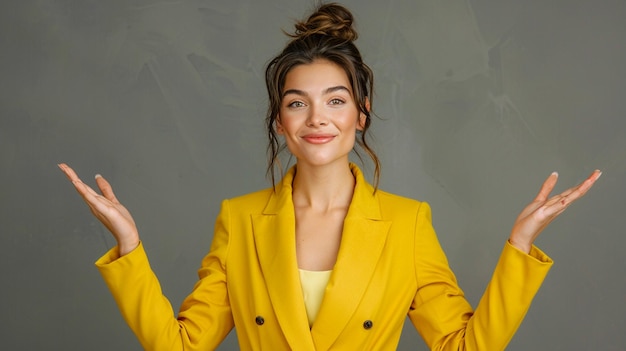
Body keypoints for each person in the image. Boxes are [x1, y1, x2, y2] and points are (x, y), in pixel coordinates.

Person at [59, 3, 601, 350]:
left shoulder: (407, 223)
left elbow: (463, 347)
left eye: (335, 100)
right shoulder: (241, 219)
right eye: (298, 103)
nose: (317, 118)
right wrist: (128, 245)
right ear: (280, 121)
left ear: (359, 115)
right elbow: (180, 347)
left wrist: (520, 245)